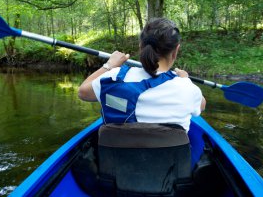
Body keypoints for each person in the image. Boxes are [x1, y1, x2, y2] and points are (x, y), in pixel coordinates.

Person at [78, 18, 206, 132]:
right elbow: (202, 105)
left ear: (141, 47)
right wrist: (185, 80)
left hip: (118, 158)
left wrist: (110, 65)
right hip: (168, 158)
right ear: (175, 51)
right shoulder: (187, 88)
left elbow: (83, 92)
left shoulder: (114, 77)